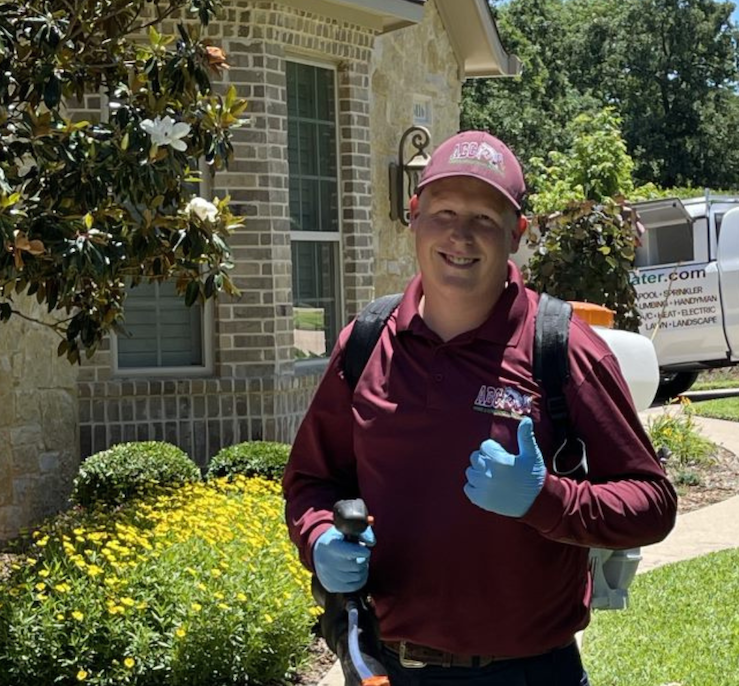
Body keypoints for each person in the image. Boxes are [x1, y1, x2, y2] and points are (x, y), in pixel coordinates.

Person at [282, 130, 677, 686]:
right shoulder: (367, 342)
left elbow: (653, 503)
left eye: (484, 218)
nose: (460, 235)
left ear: (516, 234)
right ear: (414, 216)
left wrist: (546, 498)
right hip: (388, 667)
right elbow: (311, 480)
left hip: (529, 673)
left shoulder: (559, 344)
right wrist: (320, 536)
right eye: (443, 211)